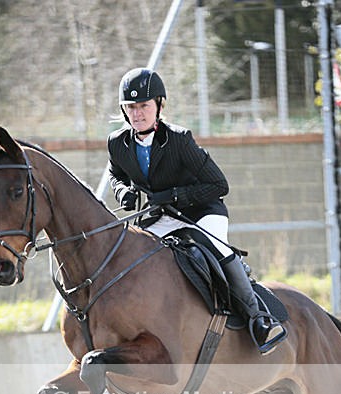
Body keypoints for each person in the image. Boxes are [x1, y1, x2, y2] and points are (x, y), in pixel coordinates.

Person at [107, 67, 287, 354]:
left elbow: (219, 184)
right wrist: (123, 191)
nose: (137, 113)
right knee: (128, 254)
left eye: (144, 106)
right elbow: (116, 174)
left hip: (202, 212)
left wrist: (173, 196)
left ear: (159, 105)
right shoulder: (118, 142)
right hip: (161, 217)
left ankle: (259, 319)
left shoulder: (179, 139)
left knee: (217, 249)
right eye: (131, 107)